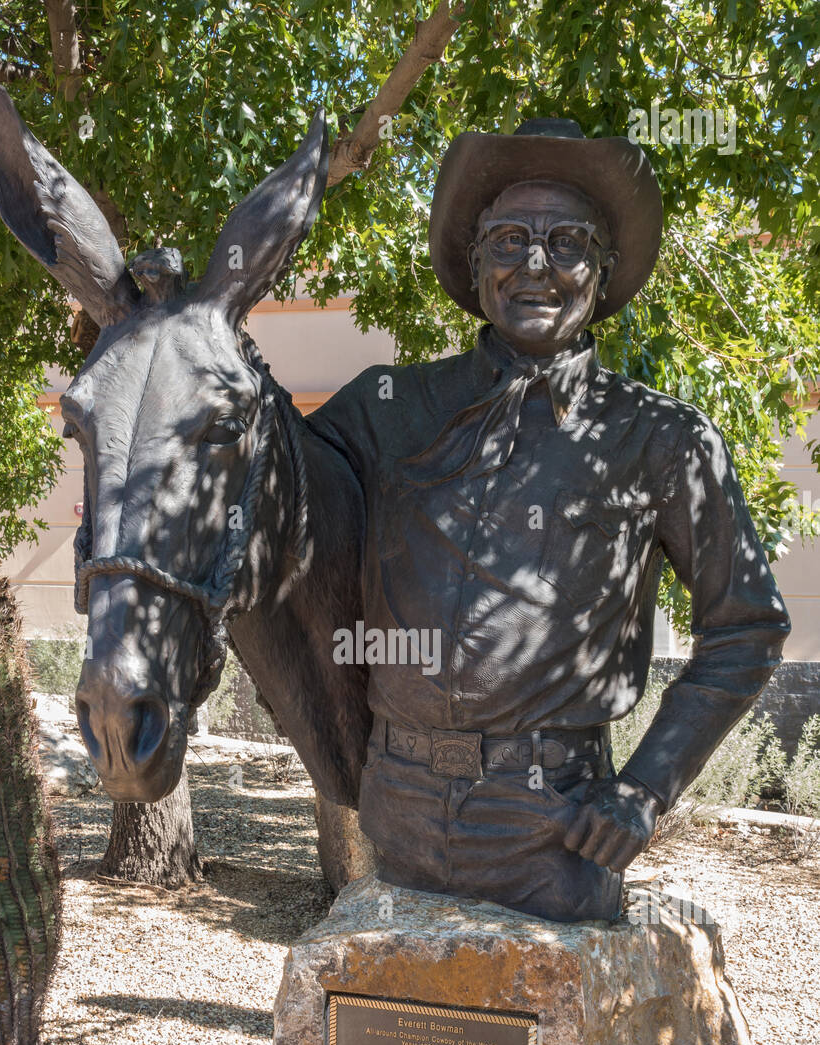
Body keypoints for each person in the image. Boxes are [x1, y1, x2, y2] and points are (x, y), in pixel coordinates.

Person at [303, 118, 790, 923]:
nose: (535, 263)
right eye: (509, 240)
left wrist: (643, 790)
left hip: (551, 830)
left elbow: (746, 630)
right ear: (474, 263)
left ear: (604, 269)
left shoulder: (660, 438)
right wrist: (185, 331)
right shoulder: (387, 408)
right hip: (397, 808)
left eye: (567, 242)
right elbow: (271, 478)